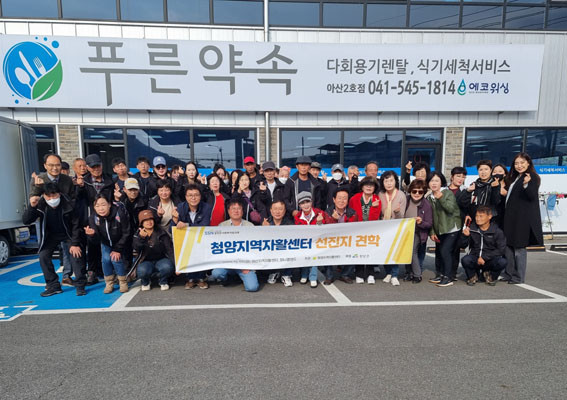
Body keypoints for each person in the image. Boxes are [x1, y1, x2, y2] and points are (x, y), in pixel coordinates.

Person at [23, 182, 87, 296]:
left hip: (68, 234)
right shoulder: (40, 204)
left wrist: (75, 243)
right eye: (48, 196)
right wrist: (32, 207)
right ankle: (53, 286)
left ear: (59, 194)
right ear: (43, 195)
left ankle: (80, 285)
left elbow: (76, 225)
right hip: (50, 235)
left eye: (54, 195)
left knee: (76, 254)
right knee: (43, 256)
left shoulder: (70, 203)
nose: (52, 199)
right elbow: (26, 221)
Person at [30, 154, 76, 286]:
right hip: (47, 224)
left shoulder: (67, 180)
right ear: (45, 166)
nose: (54, 168)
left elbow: (71, 199)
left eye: (57, 165)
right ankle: (52, 284)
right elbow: (33, 200)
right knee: (44, 254)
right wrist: (39, 188)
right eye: (51, 165)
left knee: (71, 249)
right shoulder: (38, 179)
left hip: (64, 222)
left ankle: (68, 276)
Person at [501, 153, 543, 284]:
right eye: (516, 163)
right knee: (508, 246)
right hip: (511, 218)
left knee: (519, 247)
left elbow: (531, 196)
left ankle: (518, 276)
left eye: (522, 163)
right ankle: (509, 273)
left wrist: (526, 184)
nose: (519, 166)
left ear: (528, 163)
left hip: (522, 219)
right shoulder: (516, 177)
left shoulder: (532, 177)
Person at [77, 154, 114, 284]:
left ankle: (110, 271)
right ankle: (92, 271)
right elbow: (77, 199)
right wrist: (79, 187)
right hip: (91, 218)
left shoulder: (110, 180)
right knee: (92, 244)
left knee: (108, 243)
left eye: (98, 166)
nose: (96, 169)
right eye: (93, 167)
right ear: (87, 168)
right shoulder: (83, 182)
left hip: (108, 217)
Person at [210, 200, 259, 292]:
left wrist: (249, 266)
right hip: (227, 263)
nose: (236, 211)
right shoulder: (222, 226)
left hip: (244, 264)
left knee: (252, 287)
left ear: (242, 211)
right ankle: (226, 279)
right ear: (228, 211)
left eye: (238, 208)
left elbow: (255, 249)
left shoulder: (250, 226)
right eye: (233, 208)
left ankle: (239, 277)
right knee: (217, 273)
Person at [85, 195, 131, 294]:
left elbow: (126, 232)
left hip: (120, 241)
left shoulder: (119, 214)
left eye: (103, 205)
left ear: (109, 204)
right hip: (105, 242)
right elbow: (96, 240)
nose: (101, 208)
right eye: (97, 206)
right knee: (105, 260)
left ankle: (123, 282)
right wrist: (92, 235)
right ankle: (109, 283)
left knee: (116, 259)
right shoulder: (93, 218)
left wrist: (118, 249)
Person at [427, 171, 463, 287]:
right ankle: (441, 275)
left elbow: (450, 209)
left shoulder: (447, 193)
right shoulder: (429, 197)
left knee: (445, 251)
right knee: (440, 252)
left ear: (441, 182)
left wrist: (441, 198)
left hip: (451, 228)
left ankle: (448, 277)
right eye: (431, 181)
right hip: (440, 229)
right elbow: (430, 216)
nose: (434, 183)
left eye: (436, 181)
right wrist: (432, 232)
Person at [175, 184, 212, 289]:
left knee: (201, 249)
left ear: (200, 196)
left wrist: (186, 225)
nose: (193, 198)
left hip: (201, 237)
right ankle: (190, 278)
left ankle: (201, 278)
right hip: (186, 239)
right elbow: (173, 228)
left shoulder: (206, 207)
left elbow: (204, 225)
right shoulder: (180, 207)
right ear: (186, 197)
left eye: (196, 195)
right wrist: (174, 220)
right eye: (190, 195)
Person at [460, 206, 507, 286]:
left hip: (489, 259)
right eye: (476, 216)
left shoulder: (497, 231)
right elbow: (462, 245)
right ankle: (472, 276)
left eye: (481, 216)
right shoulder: (472, 229)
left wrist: (484, 257)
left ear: (489, 216)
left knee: (502, 262)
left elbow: (501, 249)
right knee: (465, 260)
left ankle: (490, 276)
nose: (478, 219)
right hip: (475, 258)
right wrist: (465, 236)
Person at [349, 176, 382, 284]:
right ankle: (359, 274)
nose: (369, 187)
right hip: (357, 230)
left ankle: (370, 274)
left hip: (372, 230)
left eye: (371, 185)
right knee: (358, 252)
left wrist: (372, 207)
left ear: (375, 188)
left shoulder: (377, 199)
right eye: (366, 185)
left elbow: (374, 217)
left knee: (370, 252)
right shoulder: (354, 198)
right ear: (362, 187)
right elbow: (351, 214)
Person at [323, 187, 358, 284]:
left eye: (344, 198)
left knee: (356, 251)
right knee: (325, 250)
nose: (342, 201)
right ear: (334, 199)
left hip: (346, 240)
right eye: (339, 198)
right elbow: (327, 230)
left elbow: (354, 229)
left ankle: (345, 275)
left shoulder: (352, 213)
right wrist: (334, 219)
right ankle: (329, 276)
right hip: (331, 241)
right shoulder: (327, 212)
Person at [133, 210, 175, 291]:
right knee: (142, 271)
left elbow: (169, 249)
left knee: (168, 267)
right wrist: (141, 238)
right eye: (145, 220)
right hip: (145, 260)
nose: (149, 222)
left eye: (150, 219)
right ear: (141, 223)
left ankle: (163, 281)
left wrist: (177, 266)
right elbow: (136, 248)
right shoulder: (138, 234)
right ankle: (145, 281)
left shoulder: (161, 232)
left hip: (161, 259)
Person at [294, 191, 328, 288]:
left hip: (317, 241)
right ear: (299, 205)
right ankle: (304, 274)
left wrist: (320, 222)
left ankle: (313, 277)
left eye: (307, 202)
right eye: (302, 203)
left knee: (314, 256)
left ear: (311, 202)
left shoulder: (320, 213)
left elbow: (328, 225)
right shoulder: (297, 216)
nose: (305, 205)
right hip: (304, 242)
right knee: (305, 255)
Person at [378, 171, 407, 286]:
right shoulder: (380, 195)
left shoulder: (401, 195)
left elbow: (402, 216)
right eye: (386, 181)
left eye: (391, 180)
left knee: (394, 252)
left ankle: (395, 275)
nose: (389, 183)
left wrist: (397, 212)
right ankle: (388, 272)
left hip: (396, 228)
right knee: (385, 252)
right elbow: (378, 213)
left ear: (396, 182)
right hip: (383, 227)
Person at [115, 177, 148, 273]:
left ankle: (139, 272)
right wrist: (118, 200)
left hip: (139, 230)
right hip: (125, 231)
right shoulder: (120, 200)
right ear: (124, 189)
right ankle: (127, 273)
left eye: (135, 189)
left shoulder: (144, 200)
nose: (133, 192)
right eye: (130, 190)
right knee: (126, 253)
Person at [404, 179, 433, 283]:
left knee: (413, 252)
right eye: (414, 191)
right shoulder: (406, 200)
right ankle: (409, 273)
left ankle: (417, 275)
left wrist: (421, 222)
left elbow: (429, 223)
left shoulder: (426, 205)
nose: (417, 194)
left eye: (420, 192)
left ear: (424, 192)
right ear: (410, 191)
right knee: (406, 252)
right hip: (404, 231)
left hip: (417, 232)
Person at [263, 200, 295, 287]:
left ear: (284, 211)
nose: (277, 212)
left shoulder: (290, 224)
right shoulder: (266, 222)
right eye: (275, 209)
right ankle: (274, 272)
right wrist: (264, 229)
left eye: (280, 209)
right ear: (271, 210)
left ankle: (286, 274)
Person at [491, 163, 509, 229]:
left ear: (505, 174)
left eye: (500, 171)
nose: (497, 173)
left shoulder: (510, 186)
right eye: (494, 172)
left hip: (507, 216)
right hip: (494, 217)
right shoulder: (489, 185)